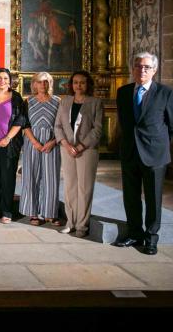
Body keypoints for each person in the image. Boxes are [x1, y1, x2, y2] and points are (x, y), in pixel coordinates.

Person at [114, 53, 173, 255]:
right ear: (133, 68)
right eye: (137, 66)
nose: (141, 70)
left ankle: (151, 239)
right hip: (130, 153)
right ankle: (134, 233)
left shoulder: (165, 92)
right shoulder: (123, 92)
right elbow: (125, 123)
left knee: (153, 199)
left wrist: (160, 145)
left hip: (155, 155)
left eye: (145, 67)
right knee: (131, 197)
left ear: (154, 70)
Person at [54, 70, 103, 237]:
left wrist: (81, 146)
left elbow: (97, 130)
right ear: (71, 85)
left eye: (82, 82)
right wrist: (66, 144)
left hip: (87, 151)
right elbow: (58, 126)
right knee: (70, 187)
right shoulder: (65, 101)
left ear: (88, 84)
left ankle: (82, 226)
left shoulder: (95, 102)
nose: (79, 85)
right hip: (67, 149)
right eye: (75, 82)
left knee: (85, 188)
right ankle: (71, 222)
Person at [20, 72, 61, 226]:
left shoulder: (58, 101)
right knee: (31, 177)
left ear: (50, 84)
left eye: (46, 82)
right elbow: (25, 124)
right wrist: (35, 143)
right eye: (40, 82)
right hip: (32, 142)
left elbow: (62, 124)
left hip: (52, 143)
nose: (43, 85)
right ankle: (33, 212)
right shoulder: (28, 101)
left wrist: (53, 141)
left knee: (51, 178)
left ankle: (50, 213)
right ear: (34, 84)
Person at [0, 68, 26, 224]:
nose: (2, 81)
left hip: (9, 144)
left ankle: (7, 211)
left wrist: (8, 138)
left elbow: (21, 120)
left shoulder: (16, 97)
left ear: (10, 81)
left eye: (5, 78)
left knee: (8, 177)